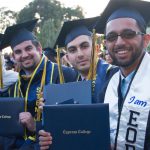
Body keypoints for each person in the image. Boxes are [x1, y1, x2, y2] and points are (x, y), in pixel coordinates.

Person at [38, 16, 118, 150]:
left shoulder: (116, 76)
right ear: (67, 58)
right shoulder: (70, 85)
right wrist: (50, 118)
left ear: (96, 48)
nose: (79, 54)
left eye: (84, 46)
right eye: (73, 50)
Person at [0, 19, 78, 149]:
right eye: (18, 52)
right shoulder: (13, 87)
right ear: (14, 56)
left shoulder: (64, 74)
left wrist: (35, 126)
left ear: (39, 48)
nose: (24, 55)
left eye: (28, 48)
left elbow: (74, 123)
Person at [96, 0, 150, 149]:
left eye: (128, 34)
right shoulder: (108, 83)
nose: (119, 42)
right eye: (112, 37)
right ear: (106, 43)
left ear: (146, 40)